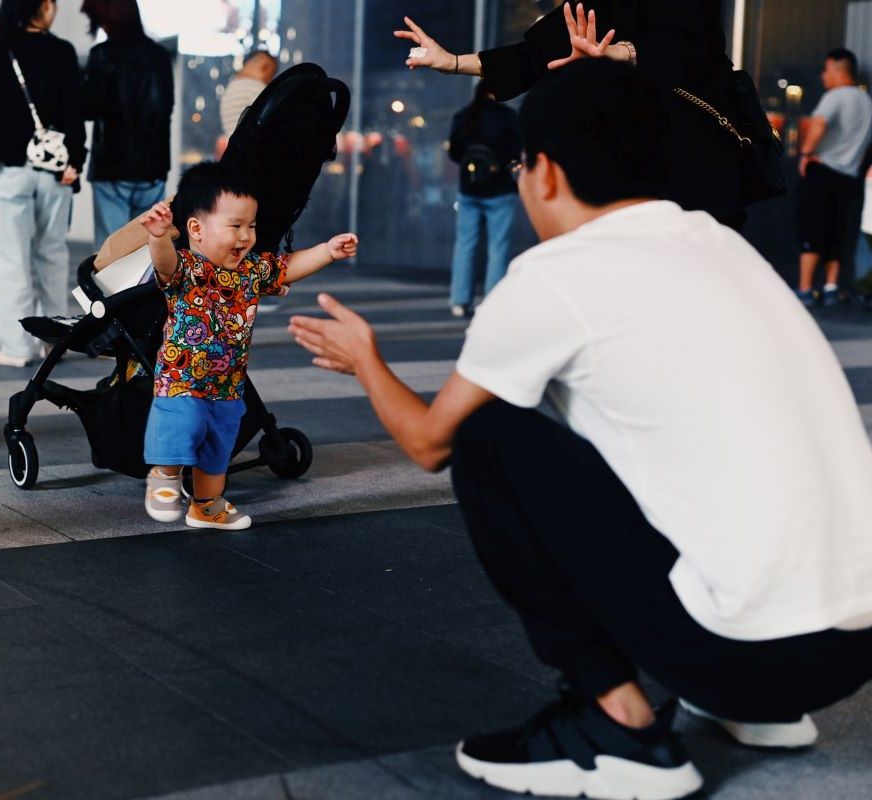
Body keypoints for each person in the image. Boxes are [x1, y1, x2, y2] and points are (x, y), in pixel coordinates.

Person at [288, 60, 872, 800]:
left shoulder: (553, 275)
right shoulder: (722, 245)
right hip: (852, 651)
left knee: (490, 436)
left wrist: (366, 362)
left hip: (748, 653)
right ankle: (750, 708)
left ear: (546, 174)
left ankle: (616, 726)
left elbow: (429, 442)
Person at [140, 162, 358, 531]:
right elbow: (164, 263)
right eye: (235, 226)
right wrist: (158, 237)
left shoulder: (251, 270)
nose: (246, 236)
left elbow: (288, 267)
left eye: (251, 226)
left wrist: (327, 250)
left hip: (228, 385)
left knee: (217, 450)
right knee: (184, 422)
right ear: (196, 229)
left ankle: (206, 506)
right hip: (181, 378)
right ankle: (163, 475)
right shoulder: (188, 269)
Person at [396, 1, 748, 227]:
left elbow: (692, 46)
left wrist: (618, 53)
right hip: (629, 175)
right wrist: (453, 62)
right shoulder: (591, 7)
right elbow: (529, 58)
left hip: (695, 168)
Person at [0, 0, 86, 367]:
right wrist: (76, 160)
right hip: (55, 169)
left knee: (12, 260)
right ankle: (52, 344)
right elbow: (75, 110)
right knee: (52, 255)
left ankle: (15, 347)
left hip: (10, 168)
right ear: (43, 6)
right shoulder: (62, 52)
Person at [81, 0, 174, 250]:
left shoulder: (102, 56)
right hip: (152, 168)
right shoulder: (160, 56)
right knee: (147, 251)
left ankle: (112, 292)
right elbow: (166, 108)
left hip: (111, 168)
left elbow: (89, 108)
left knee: (112, 252)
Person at [795, 48, 872, 308]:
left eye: (826, 70)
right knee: (837, 232)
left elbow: (818, 124)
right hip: (849, 176)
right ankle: (830, 287)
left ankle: (805, 289)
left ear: (839, 70)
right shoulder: (866, 102)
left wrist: (806, 153)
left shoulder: (835, 96)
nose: (823, 75)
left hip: (824, 172)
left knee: (813, 229)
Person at [446, 82, 521, 317]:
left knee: (465, 244)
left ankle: (459, 300)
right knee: (498, 246)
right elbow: (518, 150)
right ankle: (491, 302)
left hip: (469, 189)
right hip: (500, 189)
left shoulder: (464, 116)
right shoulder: (507, 116)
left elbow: (454, 152)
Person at [218, 50, 279, 153]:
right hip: (252, 149)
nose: (270, 80)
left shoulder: (232, 88)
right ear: (264, 67)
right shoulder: (256, 88)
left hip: (236, 150)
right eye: (272, 74)